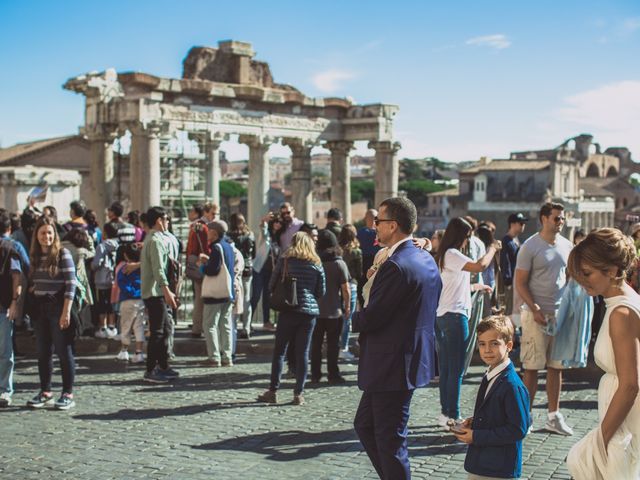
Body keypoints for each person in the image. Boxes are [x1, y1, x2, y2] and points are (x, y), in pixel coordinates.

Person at [352, 197, 442, 480]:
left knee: (391, 441)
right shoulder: (424, 257)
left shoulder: (396, 265)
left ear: (392, 225)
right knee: (365, 425)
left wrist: (350, 316)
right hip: (406, 359)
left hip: (391, 363)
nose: (374, 226)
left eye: (378, 221)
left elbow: (372, 317)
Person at [565, 228, 640, 479]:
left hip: (623, 423)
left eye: (587, 273)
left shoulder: (621, 313)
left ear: (612, 271)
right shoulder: (625, 301)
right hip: (619, 420)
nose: (581, 280)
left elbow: (630, 385)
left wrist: (600, 440)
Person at [514, 202, 574, 435]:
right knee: (531, 367)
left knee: (556, 367)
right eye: (557, 218)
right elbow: (520, 282)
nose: (561, 222)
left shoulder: (567, 245)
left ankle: (553, 416)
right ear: (544, 219)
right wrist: (535, 307)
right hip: (534, 314)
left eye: (562, 218)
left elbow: (568, 277)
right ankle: (525, 417)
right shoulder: (530, 246)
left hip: (558, 314)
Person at [435, 217, 497, 430]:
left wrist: (477, 287)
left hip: (445, 315)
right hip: (454, 317)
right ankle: (454, 416)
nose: (469, 240)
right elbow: (480, 265)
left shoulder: (446, 256)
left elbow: (454, 286)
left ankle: (445, 414)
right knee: (456, 369)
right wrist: (492, 249)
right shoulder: (453, 254)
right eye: (468, 236)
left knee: (447, 367)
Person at [453, 315, 531, 479]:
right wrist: (475, 421)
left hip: (498, 469)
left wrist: (476, 436)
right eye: (482, 344)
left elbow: (518, 429)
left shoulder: (512, 386)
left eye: (494, 343)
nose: (487, 350)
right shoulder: (491, 374)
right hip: (483, 463)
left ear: (509, 345)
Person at [257, 232, 326, 406]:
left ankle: (273, 391)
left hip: (288, 311)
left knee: (280, 351)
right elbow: (321, 291)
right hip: (308, 313)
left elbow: (272, 284)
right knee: (302, 353)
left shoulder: (285, 259)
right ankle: (298, 394)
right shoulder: (316, 264)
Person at [26, 216, 77, 410]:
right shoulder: (35, 256)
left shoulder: (62, 253)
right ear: (36, 235)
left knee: (64, 351)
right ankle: (46, 391)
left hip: (59, 307)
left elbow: (71, 283)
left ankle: (67, 393)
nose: (46, 236)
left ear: (54, 234)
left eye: (49, 232)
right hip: (40, 309)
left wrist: (66, 311)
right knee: (43, 352)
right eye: (42, 233)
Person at [140, 206, 179, 383]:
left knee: (164, 330)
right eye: (166, 219)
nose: (168, 222)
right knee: (157, 331)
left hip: (157, 291)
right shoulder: (155, 241)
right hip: (155, 292)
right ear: (159, 221)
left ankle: (163, 366)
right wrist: (167, 290)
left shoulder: (153, 239)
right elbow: (158, 269)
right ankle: (151, 369)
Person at [311, 230, 350, 384]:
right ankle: (333, 374)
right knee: (333, 345)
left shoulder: (314, 262)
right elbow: (346, 289)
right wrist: (347, 307)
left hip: (316, 310)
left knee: (316, 345)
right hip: (334, 311)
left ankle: (315, 374)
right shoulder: (339, 263)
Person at [199, 220, 236, 367]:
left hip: (215, 293)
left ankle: (214, 357)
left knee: (210, 324)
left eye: (209, 231)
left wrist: (203, 265)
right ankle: (227, 356)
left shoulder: (216, 247)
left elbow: (212, 270)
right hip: (227, 292)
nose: (207, 233)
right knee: (225, 324)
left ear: (214, 233)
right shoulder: (228, 246)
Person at [0, 210, 24, 408]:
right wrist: (15, 301)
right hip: (5, 304)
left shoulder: (9, 247)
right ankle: (4, 390)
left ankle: (4, 390)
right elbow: (19, 274)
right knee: (5, 351)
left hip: (4, 306)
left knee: (5, 351)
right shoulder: (13, 246)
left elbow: (17, 275)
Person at [115, 243, 146, 364]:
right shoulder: (141, 268)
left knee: (126, 326)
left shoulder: (124, 268)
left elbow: (121, 283)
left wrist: (130, 292)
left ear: (125, 256)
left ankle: (124, 351)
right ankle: (139, 353)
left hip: (127, 300)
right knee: (139, 326)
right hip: (141, 299)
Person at [251, 213, 281, 331]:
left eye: (280, 222)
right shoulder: (266, 235)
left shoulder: (278, 238)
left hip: (270, 272)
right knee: (256, 295)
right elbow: (262, 228)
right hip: (259, 269)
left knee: (267, 297)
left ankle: (266, 321)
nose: (278, 224)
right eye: (276, 222)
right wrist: (264, 220)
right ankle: (247, 322)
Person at [228, 213, 255, 339]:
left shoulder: (228, 237)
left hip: (233, 269)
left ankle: (234, 325)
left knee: (234, 298)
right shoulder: (249, 235)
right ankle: (246, 328)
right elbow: (253, 254)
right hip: (248, 268)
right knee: (247, 299)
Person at [91, 222, 119, 339]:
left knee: (102, 303)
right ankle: (112, 327)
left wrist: (91, 265)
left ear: (105, 233)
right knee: (111, 303)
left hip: (101, 280)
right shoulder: (117, 245)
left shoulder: (101, 246)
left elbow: (97, 263)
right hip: (113, 279)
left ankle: (103, 327)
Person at [338, 224, 362, 360]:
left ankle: (338, 346)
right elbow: (359, 273)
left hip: (337, 286)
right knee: (347, 318)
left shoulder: (337, 250)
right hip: (351, 284)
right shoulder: (356, 251)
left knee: (338, 318)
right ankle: (344, 347)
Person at [186, 204, 209, 338]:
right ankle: (202, 327)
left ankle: (197, 327)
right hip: (201, 263)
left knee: (199, 298)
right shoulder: (202, 227)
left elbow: (191, 248)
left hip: (195, 263)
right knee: (203, 298)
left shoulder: (196, 227)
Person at [500, 213, 527, 316]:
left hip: (517, 281)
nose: (523, 225)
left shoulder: (515, 240)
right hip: (510, 283)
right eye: (521, 223)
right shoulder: (506, 241)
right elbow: (505, 262)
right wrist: (508, 282)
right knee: (509, 311)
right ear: (512, 224)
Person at [357, 209, 381, 305]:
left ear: (365, 218)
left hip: (362, 266)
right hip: (377, 267)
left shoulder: (359, 233)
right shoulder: (380, 234)